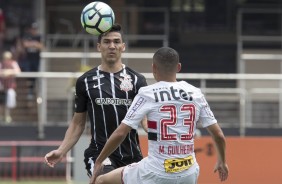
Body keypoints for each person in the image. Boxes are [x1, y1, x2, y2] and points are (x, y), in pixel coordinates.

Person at [90, 47, 229, 184]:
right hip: (189, 172)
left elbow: (121, 133)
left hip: (154, 172)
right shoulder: (196, 93)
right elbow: (218, 135)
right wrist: (222, 161)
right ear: (178, 67)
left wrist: (99, 160)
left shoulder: (147, 93)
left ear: (154, 68)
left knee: (102, 180)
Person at [44, 24, 148, 177]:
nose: (112, 46)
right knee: (105, 180)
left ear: (123, 46)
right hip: (100, 155)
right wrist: (61, 151)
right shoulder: (85, 81)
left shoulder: (137, 80)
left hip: (131, 154)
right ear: (99, 46)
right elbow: (78, 123)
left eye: (116, 41)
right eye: (107, 42)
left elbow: (145, 120)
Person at [21, 22, 43, 100]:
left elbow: (41, 46)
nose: (34, 30)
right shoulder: (27, 36)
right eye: (32, 29)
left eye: (35, 29)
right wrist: (34, 44)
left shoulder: (39, 36)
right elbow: (25, 44)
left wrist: (34, 44)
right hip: (28, 59)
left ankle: (31, 91)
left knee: (34, 75)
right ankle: (28, 90)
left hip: (36, 59)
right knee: (28, 73)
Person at [0, 51, 21, 123]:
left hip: (10, 86)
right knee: (1, 103)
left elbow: (18, 71)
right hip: (1, 87)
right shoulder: (1, 64)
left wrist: (9, 72)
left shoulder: (13, 63)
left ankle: (7, 116)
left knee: (9, 102)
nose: (6, 59)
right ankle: (1, 116)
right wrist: (3, 73)